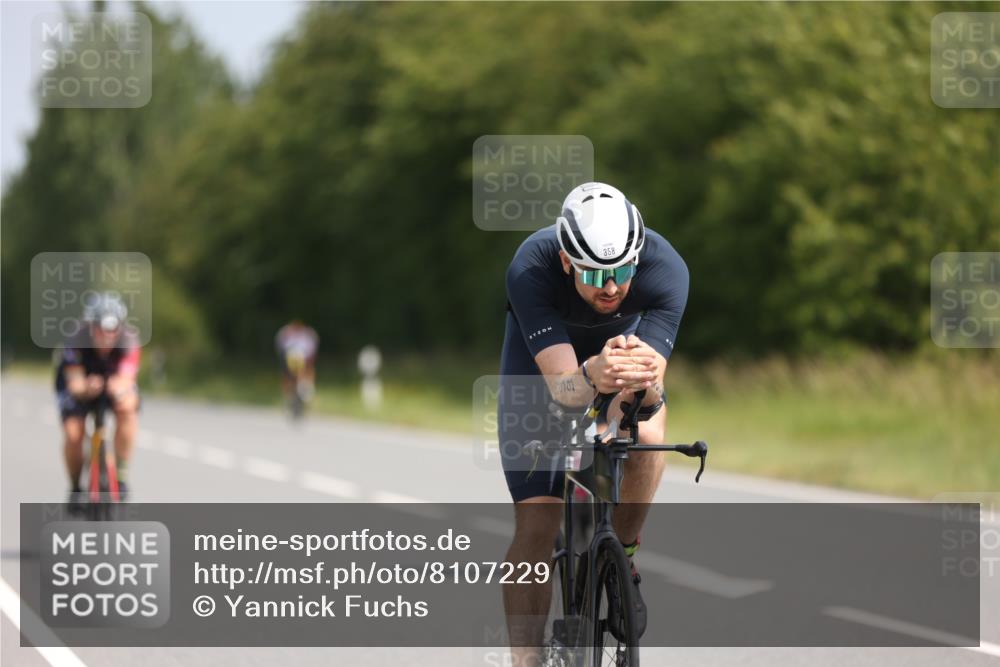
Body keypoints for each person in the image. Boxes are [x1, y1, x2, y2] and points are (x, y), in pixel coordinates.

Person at [499, 182, 689, 662]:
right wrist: (590, 374)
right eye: (596, 273)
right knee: (538, 521)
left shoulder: (667, 269)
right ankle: (525, 658)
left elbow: (644, 395)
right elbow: (563, 390)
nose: (611, 287)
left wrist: (637, 395)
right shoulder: (532, 267)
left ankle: (622, 556)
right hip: (546, 368)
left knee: (644, 431)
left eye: (623, 271)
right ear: (567, 262)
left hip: (617, 356)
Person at [55, 292, 141, 505]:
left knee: (128, 408)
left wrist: (118, 390)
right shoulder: (75, 339)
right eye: (101, 329)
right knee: (73, 433)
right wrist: (85, 387)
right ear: (91, 326)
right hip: (80, 383)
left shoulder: (129, 340)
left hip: (113, 382)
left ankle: (120, 476)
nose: (107, 335)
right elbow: (74, 383)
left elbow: (126, 379)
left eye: (113, 329)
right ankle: (76, 488)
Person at [274, 319, 319, 407]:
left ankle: (306, 388)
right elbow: (280, 348)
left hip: (303, 359)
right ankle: (288, 396)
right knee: (287, 376)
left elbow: (312, 350)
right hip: (289, 358)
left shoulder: (308, 334)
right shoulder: (285, 333)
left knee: (308, 371)